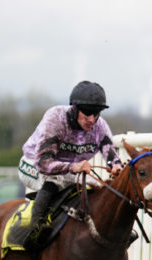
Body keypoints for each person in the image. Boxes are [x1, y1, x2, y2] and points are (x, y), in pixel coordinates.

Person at [16, 80, 123, 249]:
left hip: (65, 171)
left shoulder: (99, 126)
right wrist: (74, 167)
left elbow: (112, 156)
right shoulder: (55, 119)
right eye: (87, 113)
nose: (91, 120)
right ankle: (35, 228)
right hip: (33, 165)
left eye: (96, 113)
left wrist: (117, 167)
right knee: (55, 180)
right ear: (74, 108)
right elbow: (44, 163)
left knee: (95, 187)